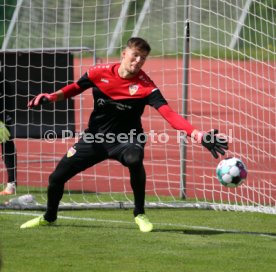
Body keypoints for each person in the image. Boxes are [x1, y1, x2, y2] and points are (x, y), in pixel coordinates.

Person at [20, 37, 228, 232]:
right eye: (135, 55)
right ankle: (49, 217)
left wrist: (198, 135)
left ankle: (140, 213)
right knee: (56, 178)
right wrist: (50, 97)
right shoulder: (98, 72)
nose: (138, 61)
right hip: (95, 138)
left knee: (134, 158)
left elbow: (170, 115)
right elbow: (73, 89)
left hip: (128, 139)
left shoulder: (147, 87)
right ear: (124, 53)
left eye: (143, 58)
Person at [0, 72, 17, 195]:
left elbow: (7, 92)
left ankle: (11, 184)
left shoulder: (2, 81)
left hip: (2, 112)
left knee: (6, 142)